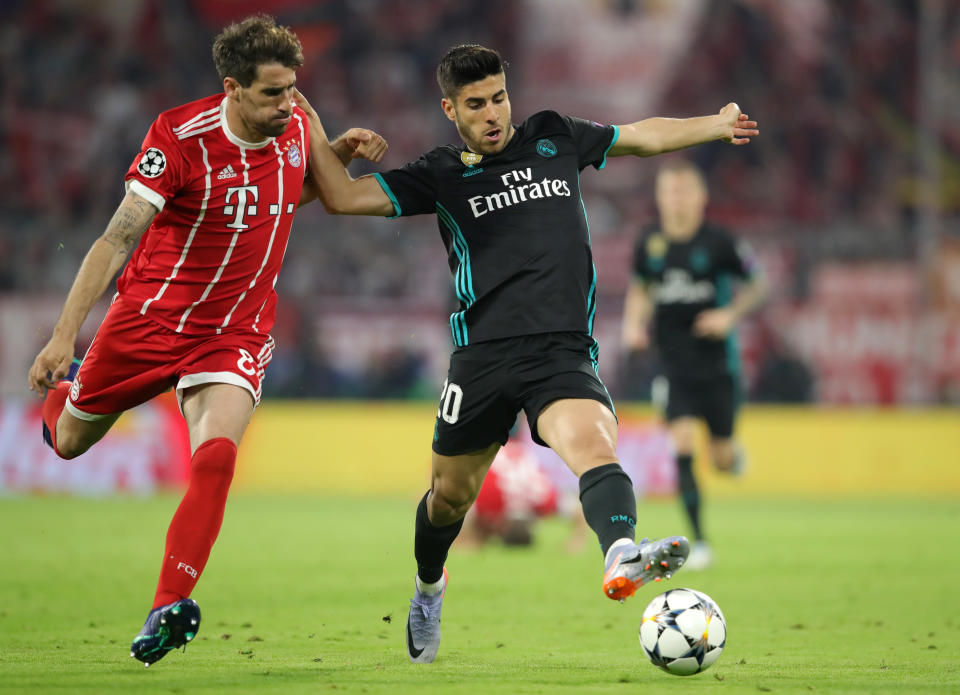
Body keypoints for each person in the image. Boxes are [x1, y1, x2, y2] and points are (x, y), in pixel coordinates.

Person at [293, 44, 759, 663]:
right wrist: (325, 139)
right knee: (447, 499)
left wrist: (714, 125)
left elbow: (642, 137)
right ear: (450, 109)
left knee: (595, 444)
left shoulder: (554, 135)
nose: (493, 114)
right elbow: (343, 199)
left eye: (499, 98)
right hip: (480, 358)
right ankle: (429, 586)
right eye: (476, 105)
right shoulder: (441, 172)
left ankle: (620, 553)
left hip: (560, 351)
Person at [26, 15, 386, 667]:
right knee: (70, 442)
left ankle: (167, 604)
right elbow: (116, 238)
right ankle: (69, 385)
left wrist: (337, 156)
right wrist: (61, 337)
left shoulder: (297, 120)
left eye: (293, 88)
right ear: (232, 88)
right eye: (273, 92)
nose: (290, 103)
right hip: (149, 322)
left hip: (234, 330)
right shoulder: (178, 137)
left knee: (216, 457)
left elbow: (284, 195)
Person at [622, 159, 768, 570]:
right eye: (670, 191)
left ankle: (731, 456)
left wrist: (729, 316)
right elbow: (640, 287)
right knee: (682, 443)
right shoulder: (649, 242)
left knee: (720, 459)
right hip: (673, 366)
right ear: (659, 197)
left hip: (718, 366)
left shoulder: (720, 242)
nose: (677, 200)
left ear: (701, 198)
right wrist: (634, 324)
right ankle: (701, 541)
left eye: (685, 191)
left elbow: (759, 284)